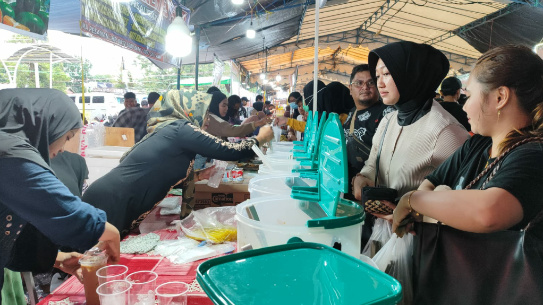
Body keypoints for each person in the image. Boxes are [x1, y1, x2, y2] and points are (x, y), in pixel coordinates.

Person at [392, 44, 543, 305]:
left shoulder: (533, 155)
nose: (464, 106)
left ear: (500, 97)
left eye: (469, 95)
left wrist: (411, 200)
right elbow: (432, 184)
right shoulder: (477, 145)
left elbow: (487, 213)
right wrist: (435, 198)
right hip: (454, 285)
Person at [82, 90, 274, 235]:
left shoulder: (171, 131)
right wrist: (259, 138)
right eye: (204, 113)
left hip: (123, 204)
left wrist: (198, 175)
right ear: (187, 110)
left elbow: (161, 169)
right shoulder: (180, 128)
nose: (207, 120)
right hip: (110, 202)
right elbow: (229, 151)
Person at [0, 89, 120, 298]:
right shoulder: (8, 151)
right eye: (67, 137)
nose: (64, 148)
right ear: (46, 125)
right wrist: (110, 232)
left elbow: (8, 233)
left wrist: (58, 259)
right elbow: (64, 209)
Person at [352, 41, 469, 213]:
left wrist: (413, 215)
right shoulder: (388, 121)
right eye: (377, 76)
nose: (380, 83)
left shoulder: (445, 132)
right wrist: (362, 179)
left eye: (387, 73)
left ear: (412, 74)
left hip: (417, 236)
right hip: (381, 231)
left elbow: (460, 200)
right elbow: (372, 164)